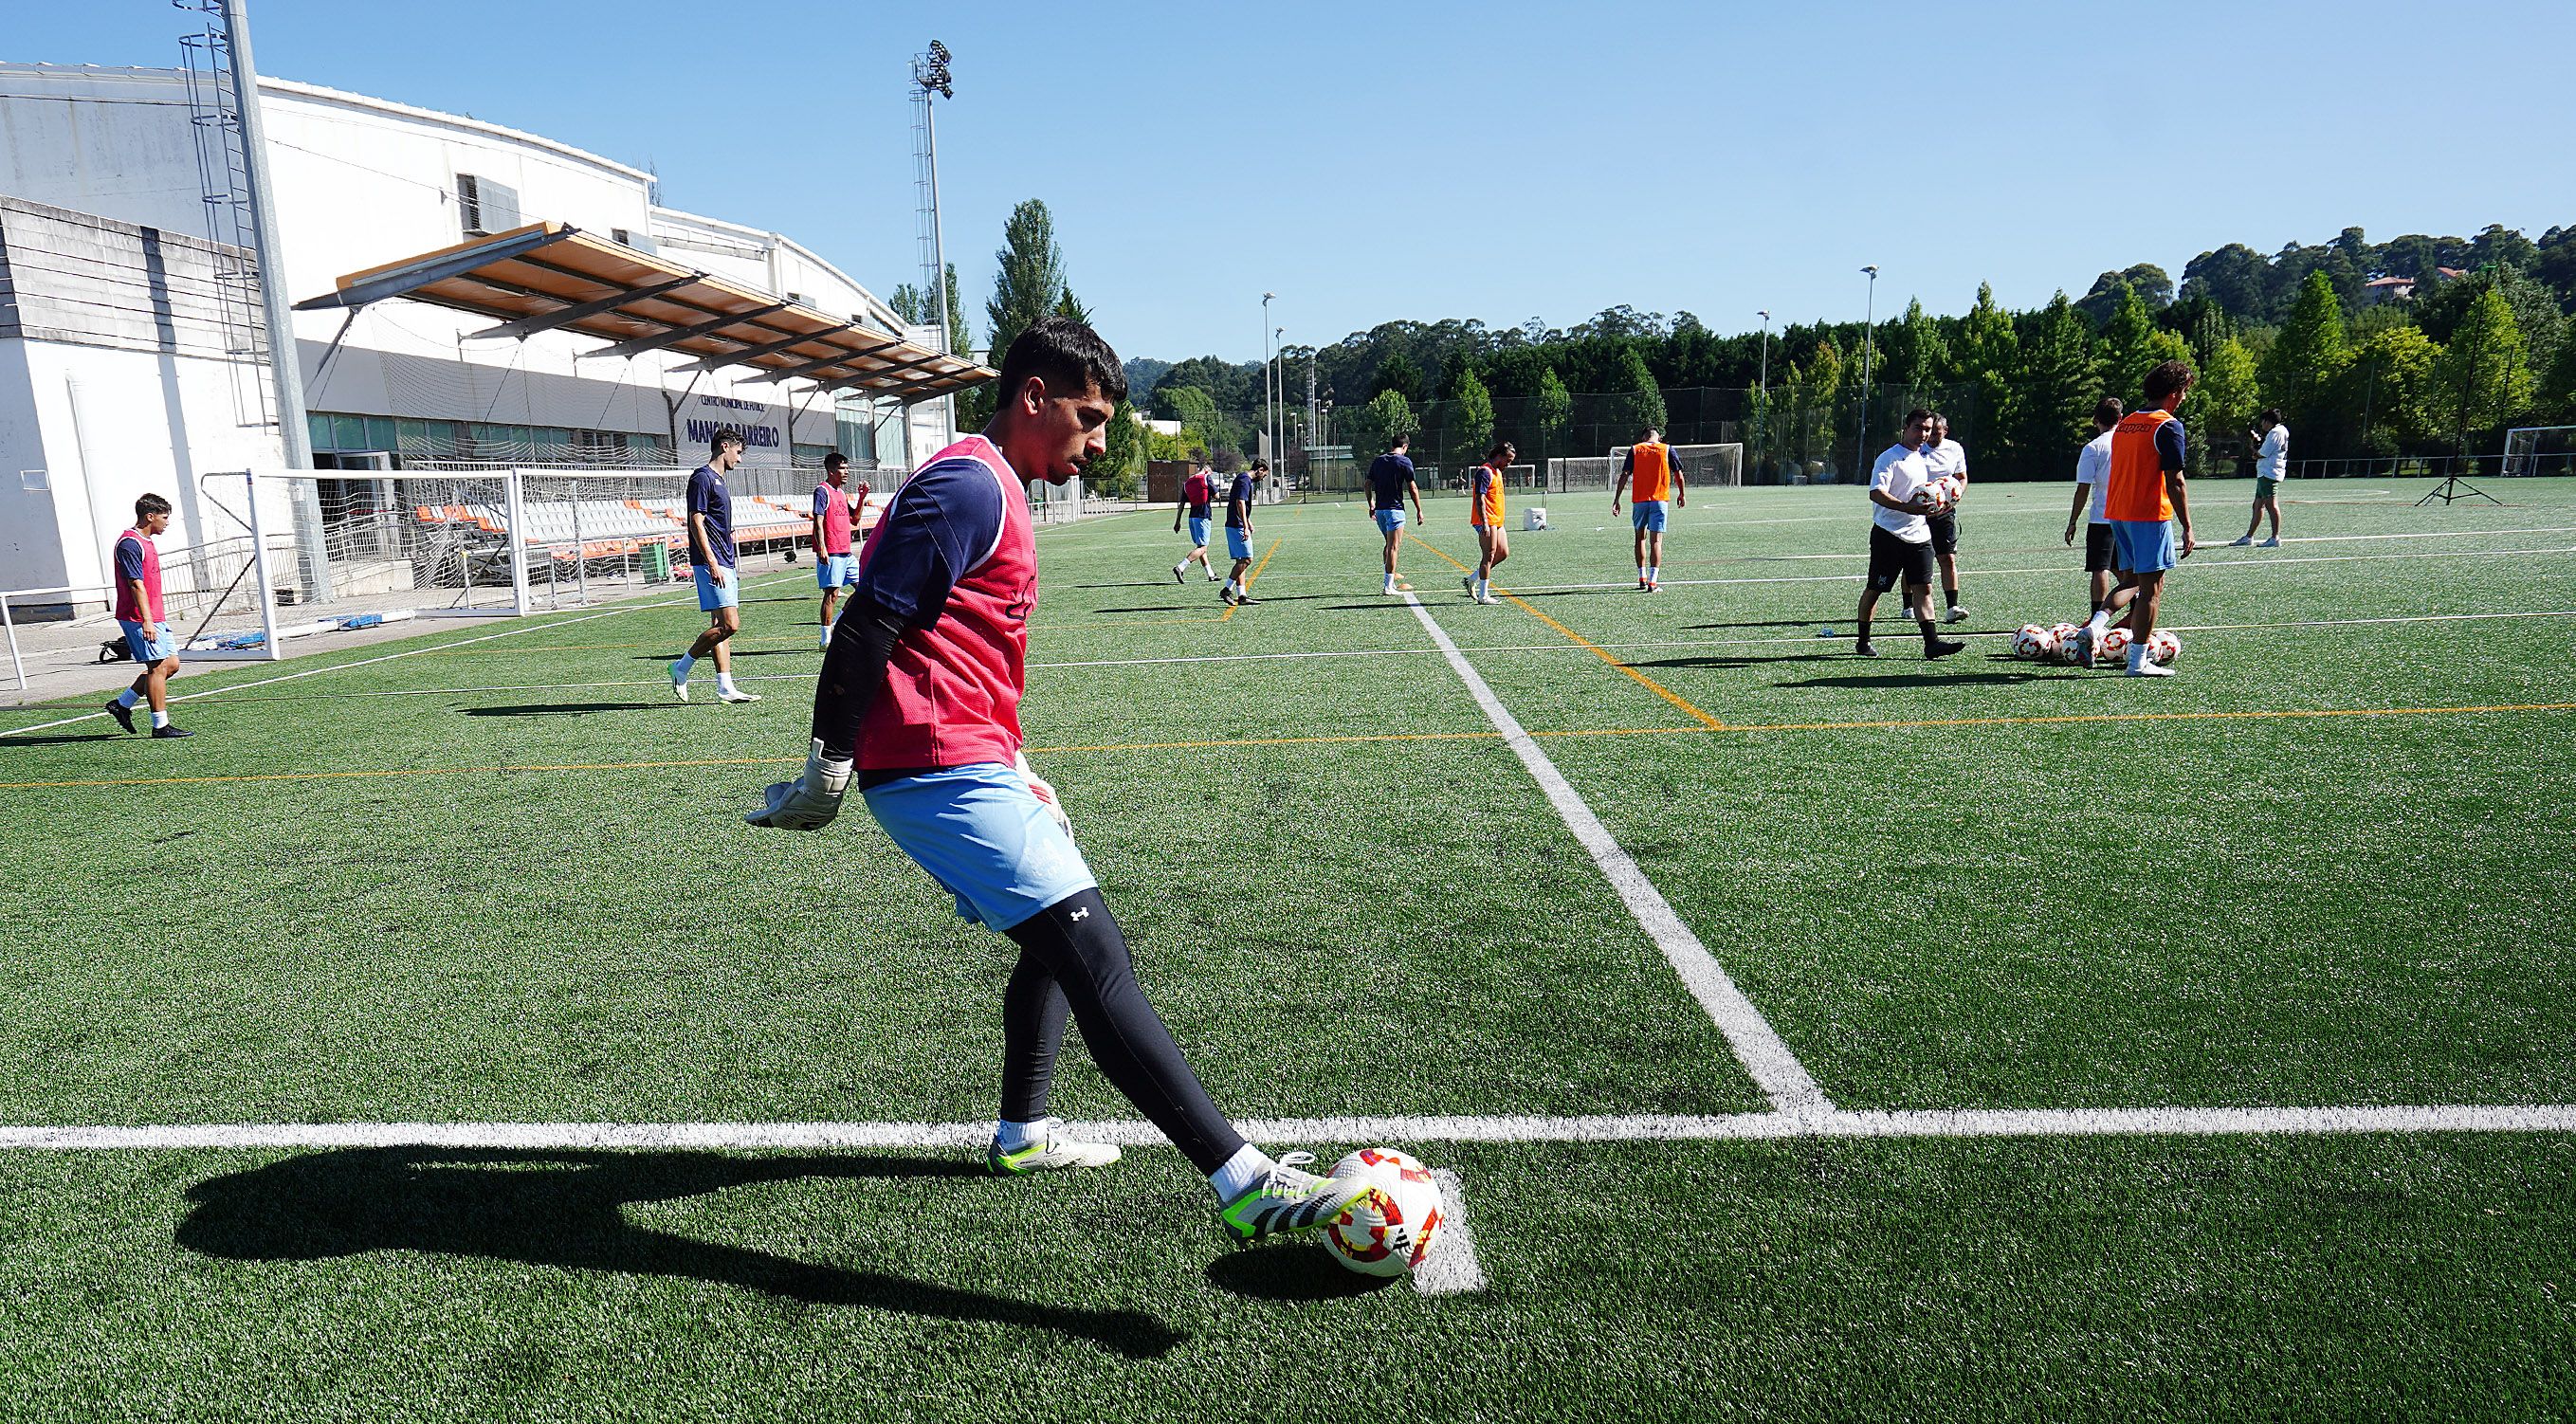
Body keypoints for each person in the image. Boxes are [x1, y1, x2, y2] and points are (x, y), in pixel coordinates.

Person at [742, 317, 1376, 1242]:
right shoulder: (968, 485)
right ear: (1032, 397)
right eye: (1087, 416)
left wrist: (1016, 762)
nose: (1101, 439)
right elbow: (866, 624)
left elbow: (957, 645)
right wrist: (826, 765)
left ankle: (1023, 1132)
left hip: (971, 754)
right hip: (931, 766)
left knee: (1053, 942)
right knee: (1091, 947)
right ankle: (1241, 1178)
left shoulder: (990, 484)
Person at [2075, 358, 2197, 677]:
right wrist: (2187, 526)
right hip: (2149, 515)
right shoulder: (2167, 425)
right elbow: (2176, 480)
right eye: (2183, 391)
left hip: (2118, 513)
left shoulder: (2127, 422)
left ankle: (2094, 627)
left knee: (2130, 582)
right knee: (2152, 589)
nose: (2184, 397)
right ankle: (2137, 662)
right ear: (2174, 391)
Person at [1854, 410, 1965, 660]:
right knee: (1876, 589)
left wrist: (1941, 504)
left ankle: (1932, 643)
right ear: (1905, 428)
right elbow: (1876, 493)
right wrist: (1907, 508)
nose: (1923, 434)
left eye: (1927, 429)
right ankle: (1863, 641)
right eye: (1918, 428)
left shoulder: (1922, 458)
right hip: (1889, 534)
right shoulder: (1889, 458)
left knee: (1924, 588)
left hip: (1919, 534)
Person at [669, 429, 760, 703]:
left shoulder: (720, 480)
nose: (740, 459)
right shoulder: (702, 478)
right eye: (739, 452)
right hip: (712, 561)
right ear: (725, 447)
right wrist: (712, 562)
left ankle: (725, 686)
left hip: (725, 558)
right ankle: (681, 667)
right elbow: (696, 521)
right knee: (730, 625)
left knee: (721, 625)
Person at [100, 492, 192, 739]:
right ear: (150, 516)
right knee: (157, 667)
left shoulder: (146, 541)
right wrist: (147, 620)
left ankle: (122, 704)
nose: (167, 522)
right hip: (138, 617)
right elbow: (136, 584)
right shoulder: (130, 543)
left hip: (154, 615)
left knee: (171, 665)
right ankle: (160, 726)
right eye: (164, 517)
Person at [2063, 398, 2124, 613]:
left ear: (2095, 420)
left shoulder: (2093, 448)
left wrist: (2072, 522)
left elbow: (2083, 488)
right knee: (2125, 569)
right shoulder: (2130, 443)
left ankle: (2097, 618)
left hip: (2102, 517)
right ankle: (2137, 612)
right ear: (2120, 418)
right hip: (2130, 517)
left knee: (2101, 568)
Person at [1610, 426, 1686, 591]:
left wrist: (1617, 499)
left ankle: (1642, 577)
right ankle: (1653, 582)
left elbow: (1624, 474)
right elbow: (1678, 473)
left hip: (1639, 501)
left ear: (1644, 437)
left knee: (1640, 538)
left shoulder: (1636, 449)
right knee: (1656, 541)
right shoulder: (1666, 449)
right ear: (1658, 437)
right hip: (1659, 500)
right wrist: (1682, 494)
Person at [813, 452, 871, 650]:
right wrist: (822, 547)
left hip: (846, 552)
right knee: (832, 594)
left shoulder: (841, 493)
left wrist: (862, 496)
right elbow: (818, 520)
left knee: (866, 589)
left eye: (847, 468)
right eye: (843, 468)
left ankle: (837, 623)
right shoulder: (822, 491)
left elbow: (855, 519)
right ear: (832, 471)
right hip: (832, 551)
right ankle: (825, 638)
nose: (847, 472)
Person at [1921, 412, 1970, 621]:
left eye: (1936, 432)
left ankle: (1952, 607)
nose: (1931, 436)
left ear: (1945, 431)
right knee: (1915, 561)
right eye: (1929, 431)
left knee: (1947, 558)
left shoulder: (1955, 449)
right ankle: (1908, 606)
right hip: (1919, 512)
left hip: (1945, 512)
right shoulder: (1916, 448)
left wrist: (1955, 497)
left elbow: (1962, 478)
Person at [1366, 432, 1426, 596]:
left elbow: (1367, 483)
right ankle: (1388, 586)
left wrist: (1371, 503)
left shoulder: (1378, 461)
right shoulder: (1404, 461)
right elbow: (1412, 488)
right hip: (1395, 510)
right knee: (1394, 547)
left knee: (1389, 545)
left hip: (1380, 510)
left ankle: (1389, 580)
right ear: (1405, 446)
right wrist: (1419, 509)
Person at [1463, 440, 1514, 604]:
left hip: (1497, 521)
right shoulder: (1485, 472)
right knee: (1489, 555)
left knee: (1503, 553)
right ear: (1499, 456)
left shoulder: (1497, 472)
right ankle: (1483, 596)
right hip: (1486, 520)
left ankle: (1472, 579)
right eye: (1508, 460)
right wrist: (1484, 521)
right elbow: (1480, 498)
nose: (1508, 464)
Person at [2232, 408, 2288, 547]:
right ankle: (2249, 536)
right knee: (2258, 505)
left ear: (2268, 421)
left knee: (2271, 505)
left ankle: (2275, 537)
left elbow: (2264, 452)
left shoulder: (2275, 432)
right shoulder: (2281, 431)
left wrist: (2254, 450)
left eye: (2263, 421)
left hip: (2270, 472)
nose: (2262, 425)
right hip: (2266, 472)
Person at [1219, 459, 1264, 607]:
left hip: (1235, 523)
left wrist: (1248, 521)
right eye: (1264, 475)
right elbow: (1240, 502)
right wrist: (1245, 526)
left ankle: (1242, 595)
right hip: (1236, 525)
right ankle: (1227, 589)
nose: (1263, 478)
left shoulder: (1243, 479)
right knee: (1247, 559)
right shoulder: (1245, 480)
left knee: (1241, 560)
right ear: (1260, 470)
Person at [1170, 457, 1220, 583]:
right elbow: (1217, 495)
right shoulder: (1206, 477)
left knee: (1201, 547)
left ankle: (1211, 574)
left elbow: (1181, 504)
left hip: (1192, 517)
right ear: (1207, 469)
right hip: (1203, 516)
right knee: (1203, 548)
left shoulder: (1187, 483)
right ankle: (1181, 567)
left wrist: (1177, 521)